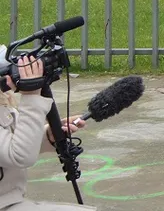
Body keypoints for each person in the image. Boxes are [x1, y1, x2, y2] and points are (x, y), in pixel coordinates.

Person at [1, 56, 94, 210]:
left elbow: (11, 144)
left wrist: (48, 135)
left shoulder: (3, 101)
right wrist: (31, 97)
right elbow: (20, 156)